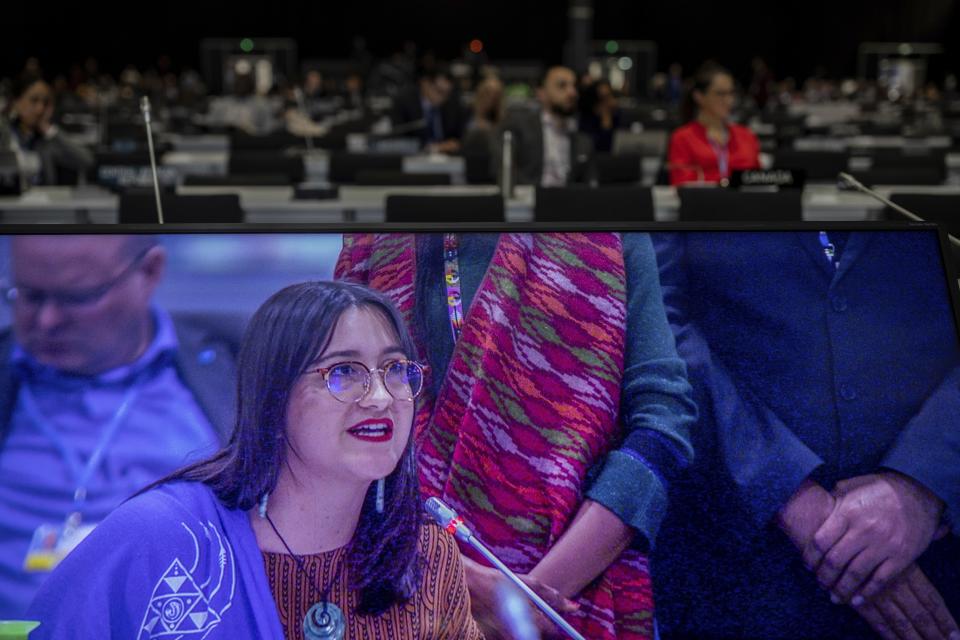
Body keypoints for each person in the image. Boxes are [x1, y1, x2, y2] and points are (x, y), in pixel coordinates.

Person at [27, 281, 483, 639]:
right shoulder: (166, 538)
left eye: (396, 370)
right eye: (344, 372)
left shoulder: (422, 556)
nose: (382, 397)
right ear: (274, 395)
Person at [336, 232, 697, 639]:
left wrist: (536, 600)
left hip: (574, 599)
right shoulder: (375, 245)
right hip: (407, 594)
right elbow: (337, 438)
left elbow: (663, 420)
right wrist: (462, 582)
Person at [651, 230, 960, 639]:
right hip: (735, 560)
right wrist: (784, 490)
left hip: (938, 550)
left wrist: (922, 483)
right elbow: (655, 317)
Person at [0, 235, 241, 619]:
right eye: (27, 295)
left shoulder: (239, 365)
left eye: (77, 298)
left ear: (149, 272)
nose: (46, 320)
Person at [495, 65, 594, 186]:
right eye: (562, 85)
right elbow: (503, 170)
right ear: (541, 93)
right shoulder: (518, 128)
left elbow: (590, 184)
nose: (572, 92)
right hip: (531, 200)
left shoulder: (583, 139)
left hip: (569, 201)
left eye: (574, 86)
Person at [667, 63, 760, 186]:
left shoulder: (747, 136)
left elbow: (760, 182)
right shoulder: (682, 138)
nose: (729, 100)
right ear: (699, 96)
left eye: (731, 93)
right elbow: (683, 186)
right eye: (720, 94)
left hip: (746, 204)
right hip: (703, 204)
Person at [0, 72, 94, 186]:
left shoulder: (48, 139)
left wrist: (50, 130)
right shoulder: (4, 132)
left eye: (45, 102)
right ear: (16, 102)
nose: (40, 108)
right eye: (34, 100)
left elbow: (87, 161)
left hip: (44, 201)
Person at [391, 66, 467, 153]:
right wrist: (429, 147)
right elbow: (399, 138)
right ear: (425, 83)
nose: (444, 98)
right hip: (414, 157)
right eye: (440, 91)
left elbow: (461, 138)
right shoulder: (404, 102)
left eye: (447, 93)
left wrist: (454, 144)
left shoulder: (453, 103)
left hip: (446, 157)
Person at [578, 79, 620, 153]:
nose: (607, 102)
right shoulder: (585, 120)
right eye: (603, 98)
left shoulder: (617, 116)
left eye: (609, 96)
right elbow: (600, 149)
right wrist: (605, 120)